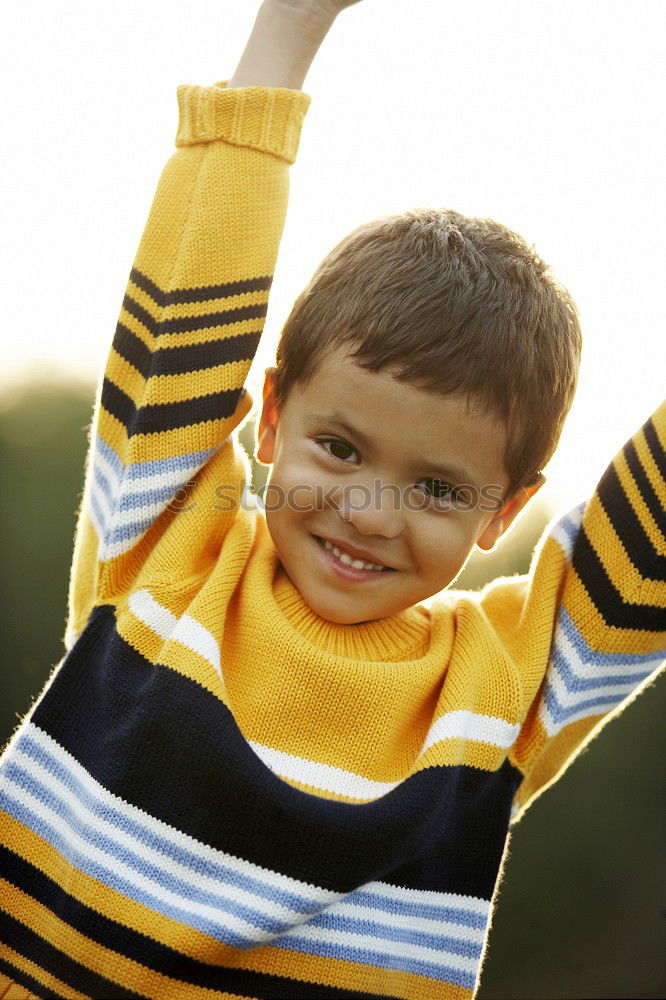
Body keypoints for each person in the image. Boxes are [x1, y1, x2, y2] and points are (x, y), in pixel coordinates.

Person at [0, 0, 663, 997]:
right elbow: (183, 314)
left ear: (503, 513)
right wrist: (288, 28)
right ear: (270, 420)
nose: (367, 509)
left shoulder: (497, 691)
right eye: (341, 448)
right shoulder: (168, 548)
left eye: (437, 487)